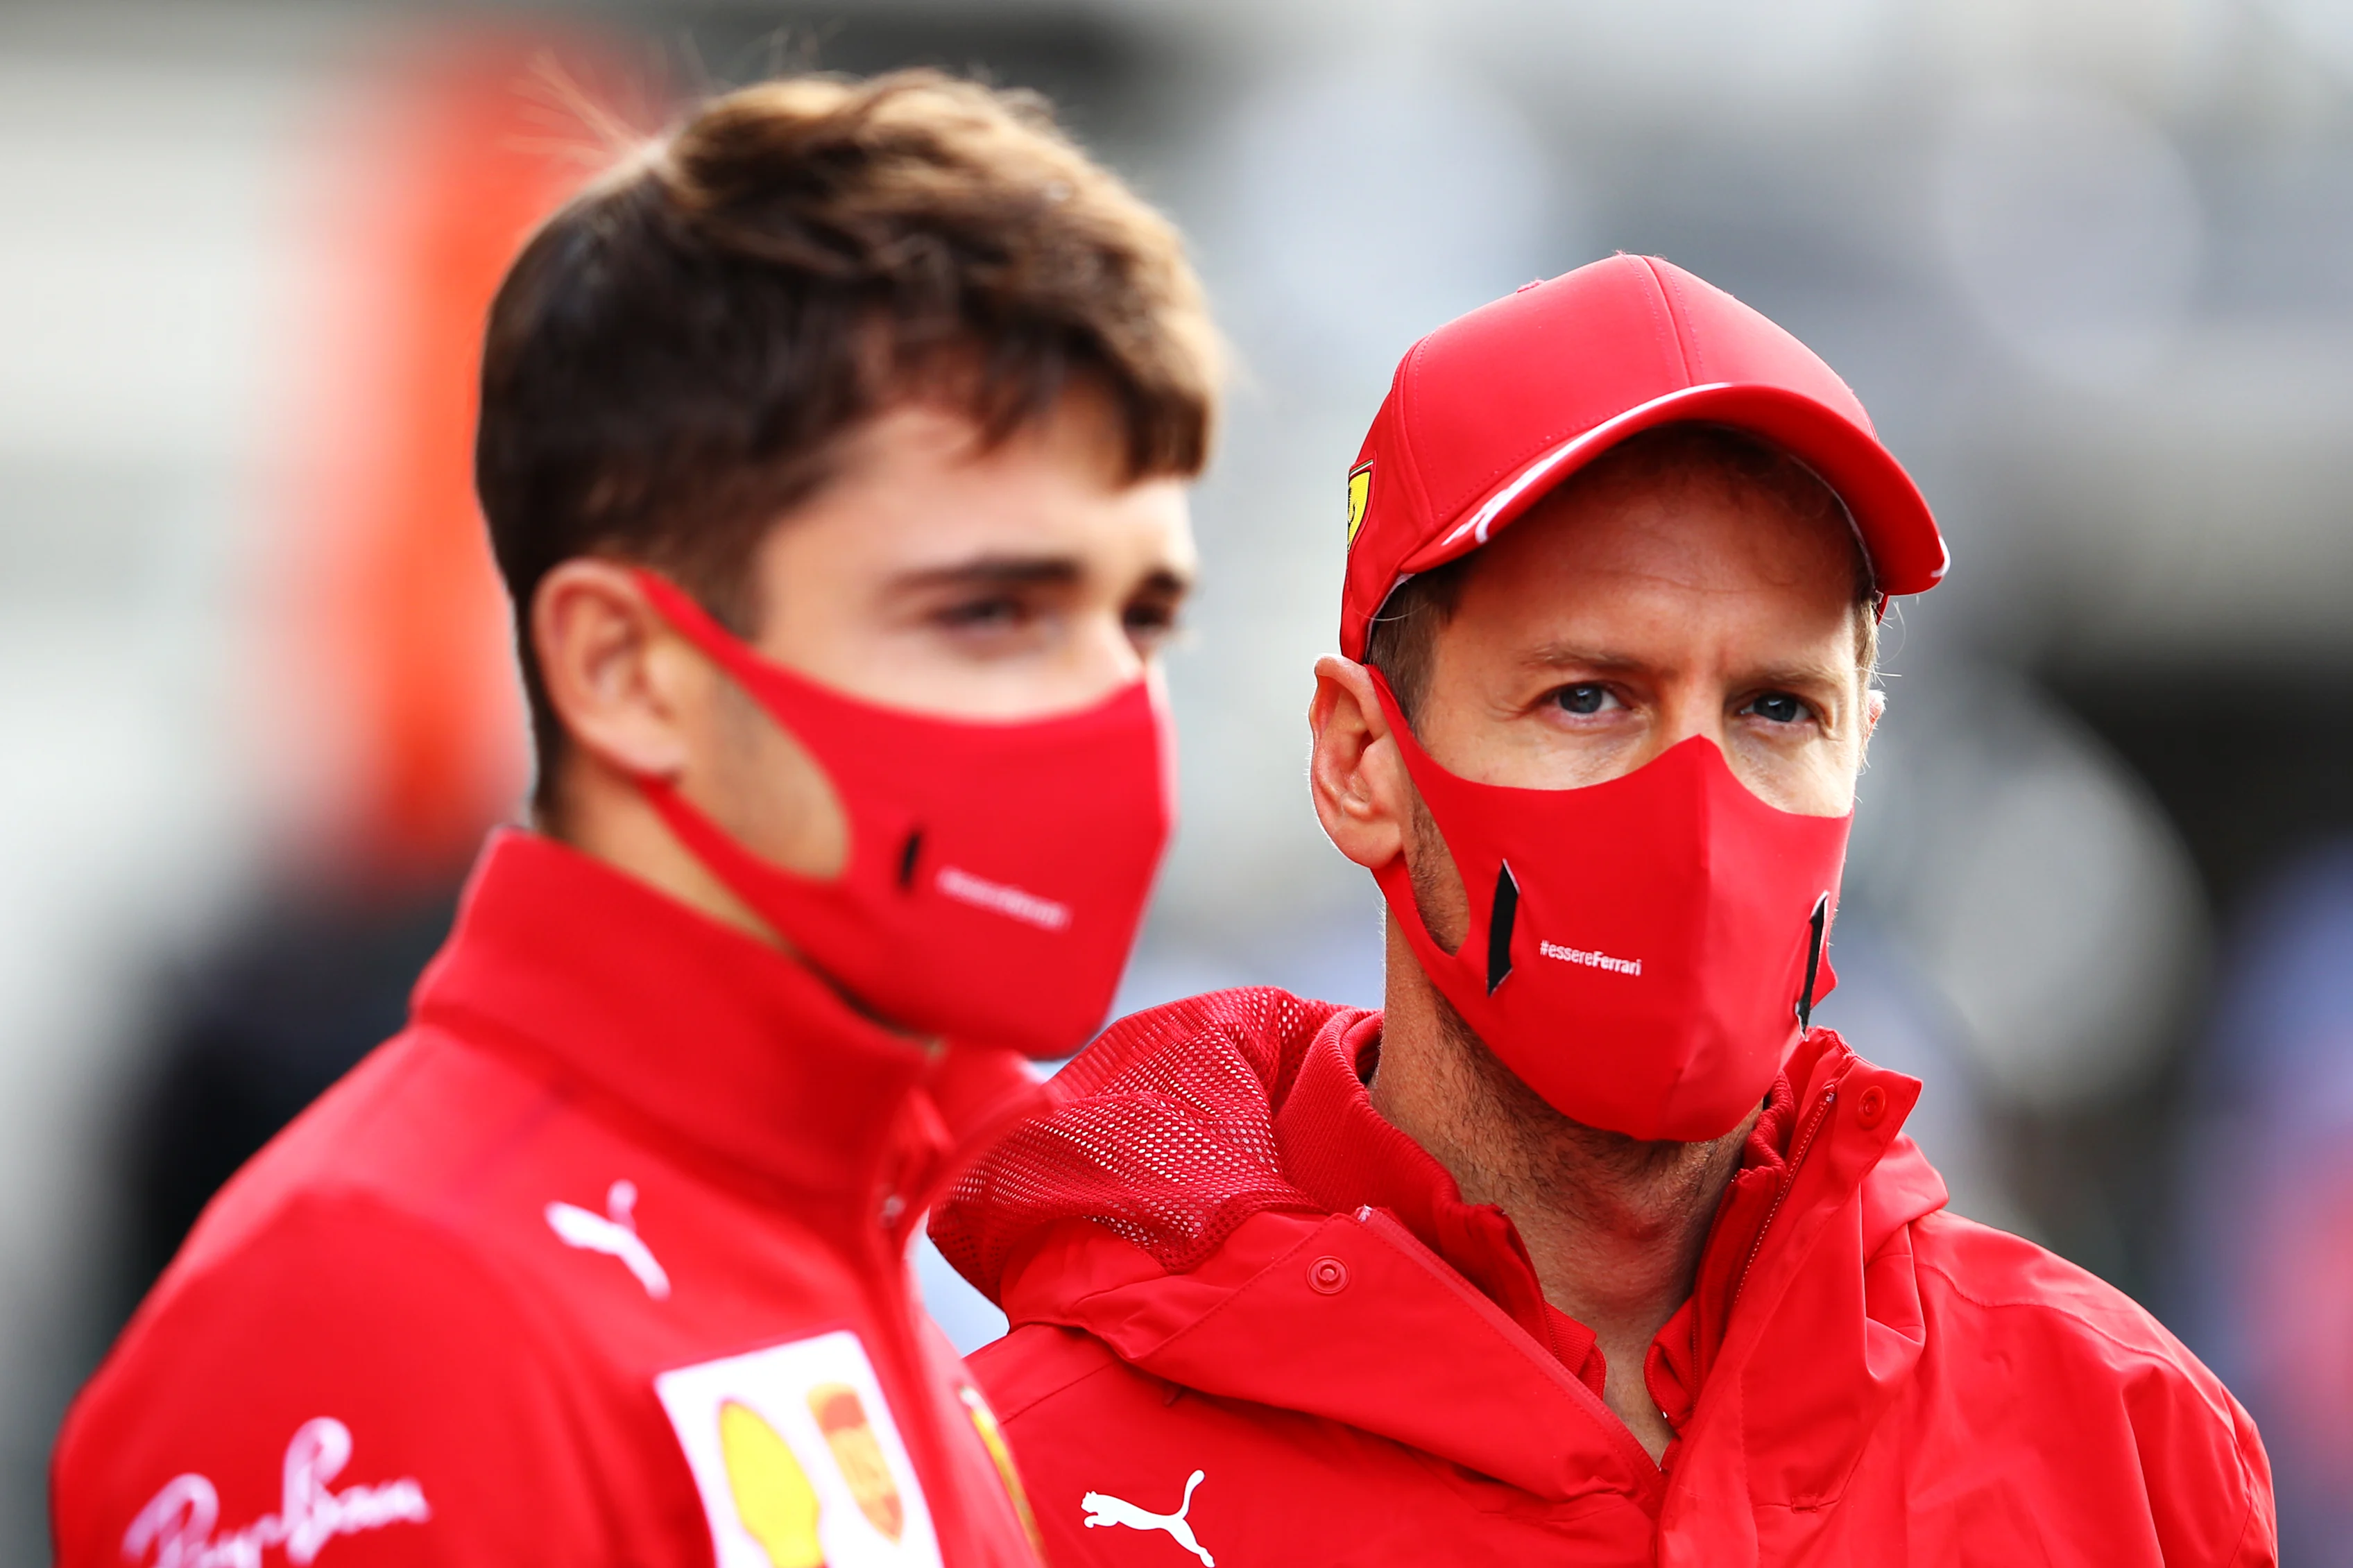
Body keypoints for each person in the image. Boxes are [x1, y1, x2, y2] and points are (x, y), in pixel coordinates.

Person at [930, 256, 2276, 1565]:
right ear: (1360, 762)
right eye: (1587, 695)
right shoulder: (1015, 1489)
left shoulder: (2122, 1439)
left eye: (1774, 708)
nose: (1694, 811)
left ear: (1861, 749)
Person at [54, 71, 1216, 1568]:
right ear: (627, 671)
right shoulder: (386, 1295)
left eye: (1143, 616)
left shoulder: (862, 1235)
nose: (1113, 708)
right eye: (990, 610)